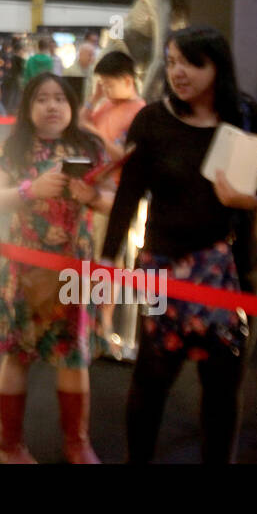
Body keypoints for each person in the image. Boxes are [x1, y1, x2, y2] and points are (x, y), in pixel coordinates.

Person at [103, 26, 257, 464]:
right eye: (171, 61)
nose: (178, 72)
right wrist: (107, 258)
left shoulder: (252, 119)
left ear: (217, 67)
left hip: (234, 269)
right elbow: (129, 194)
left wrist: (251, 200)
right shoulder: (152, 120)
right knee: (151, 378)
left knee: (223, 385)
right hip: (162, 265)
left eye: (191, 63)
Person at [0, 73, 113, 464]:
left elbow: (115, 201)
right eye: (42, 99)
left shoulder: (89, 146)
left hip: (76, 269)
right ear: (27, 108)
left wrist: (92, 196)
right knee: (17, 354)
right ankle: (9, 445)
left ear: (73, 105)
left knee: (75, 355)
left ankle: (77, 441)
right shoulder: (14, 147)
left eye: (60, 98)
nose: (52, 106)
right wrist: (30, 190)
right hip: (24, 270)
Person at [80, 50, 145, 352]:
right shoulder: (105, 104)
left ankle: (103, 326)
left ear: (127, 80)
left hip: (114, 196)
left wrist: (94, 131)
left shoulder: (139, 112)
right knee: (88, 258)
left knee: (107, 261)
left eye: (108, 83)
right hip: (91, 189)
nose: (104, 88)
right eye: (101, 83)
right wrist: (94, 98)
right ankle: (87, 324)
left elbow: (124, 156)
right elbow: (81, 122)